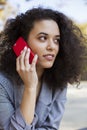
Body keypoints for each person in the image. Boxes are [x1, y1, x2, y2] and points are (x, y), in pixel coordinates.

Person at [0, 7, 86, 130]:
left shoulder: (58, 80)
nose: (52, 47)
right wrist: (30, 87)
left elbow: (51, 127)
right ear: (22, 43)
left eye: (56, 40)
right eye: (43, 38)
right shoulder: (2, 84)